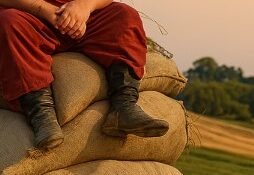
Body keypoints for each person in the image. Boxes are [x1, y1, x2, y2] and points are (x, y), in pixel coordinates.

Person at [0, 0, 169, 150]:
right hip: (31, 17)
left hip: (84, 18)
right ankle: (42, 117)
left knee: (125, 16)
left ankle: (124, 106)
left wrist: (84, 6)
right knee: (10, 22)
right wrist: (45, 10)